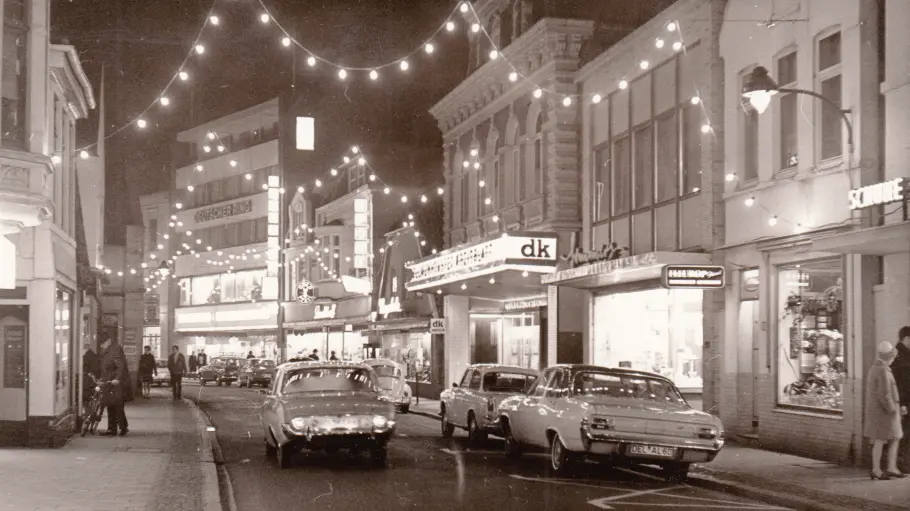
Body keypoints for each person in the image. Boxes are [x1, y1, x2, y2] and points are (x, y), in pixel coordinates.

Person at [865, 341, 907, 479]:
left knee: (890, 438)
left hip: (880, 412)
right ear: (888, 356)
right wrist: (892, 410)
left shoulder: (876, 368)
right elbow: (884, 394)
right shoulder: (882, 369)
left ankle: (889, 467)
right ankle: (879, 469)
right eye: (892, 357)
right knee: (883, 439)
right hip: (884, 413)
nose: (893, 359)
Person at [99, 333, 129, 436]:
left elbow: (120, 366)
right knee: (111, 405)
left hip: (116, 384)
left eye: (102, 343)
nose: (101, 346)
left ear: (108, 341)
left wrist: (117, 379)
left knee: (116, 405)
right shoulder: (108, 350)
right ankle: (112, 429)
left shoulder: (115, 350)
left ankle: (121, 428)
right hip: (109, 382)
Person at [890, 326, 910, 472]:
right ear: (906, 339)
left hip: (905, 402)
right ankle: (901, 464)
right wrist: (902, 404)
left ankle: (903, 463)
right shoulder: (899, 357)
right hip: (904, 403)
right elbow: (899, 383)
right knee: (904, 434)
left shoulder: (903, 354)